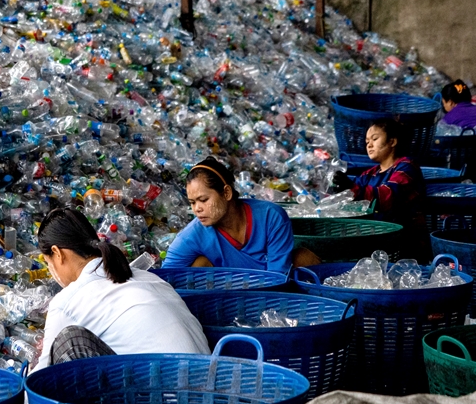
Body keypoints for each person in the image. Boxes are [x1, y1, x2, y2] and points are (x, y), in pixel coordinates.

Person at [31, 207, 209, 374]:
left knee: (68, 343)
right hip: (212, 393)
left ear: (58, 253)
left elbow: (40, 378)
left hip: (169, 401)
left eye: (48, 263)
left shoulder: (66, 302)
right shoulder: (148, 277)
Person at [161, 157, 297, 272]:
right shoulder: (193, 235)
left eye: (203, 200)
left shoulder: (271, 217)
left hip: (271, 293)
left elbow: (278, 276)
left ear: (226, 193)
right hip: (227, 296)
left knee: (303, 257)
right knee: (200, 264)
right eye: (192, 202)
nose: (197, 209)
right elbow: (165, 278)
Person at [333, 118, 425, 220]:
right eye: (367, 142)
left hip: (403, 232)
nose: (369, 145)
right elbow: (353, 190)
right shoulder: (368, 174)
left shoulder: (407, 168)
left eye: (375, 139)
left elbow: (389, 197)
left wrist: (351, 188)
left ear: (392, 141)